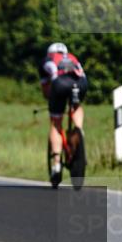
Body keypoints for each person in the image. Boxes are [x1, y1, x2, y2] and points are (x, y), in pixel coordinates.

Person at [39, 42, 88, 184]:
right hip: (82, 83)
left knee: (56, 123)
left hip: (60, 84)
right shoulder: (72, 57)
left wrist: (52, 101)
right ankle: (79, 131)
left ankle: (56, 164)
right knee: (76, 105)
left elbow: (45, 89)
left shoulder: (47, 60)